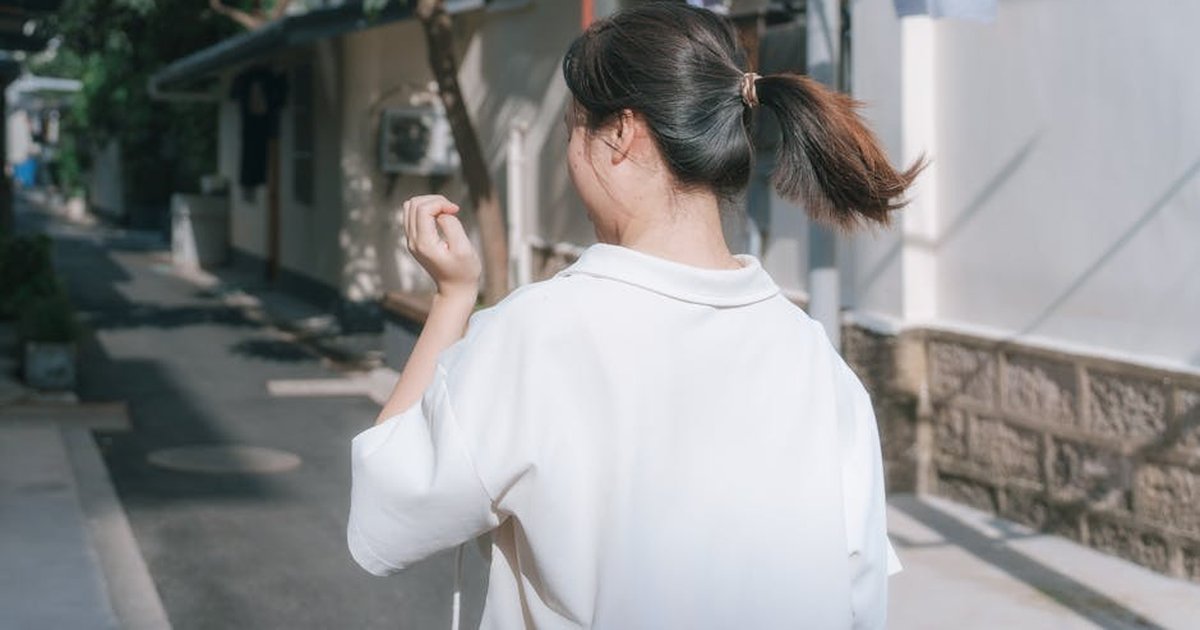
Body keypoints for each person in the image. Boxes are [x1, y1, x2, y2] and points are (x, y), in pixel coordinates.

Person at [347, 3, 923, 629]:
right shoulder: (815, 360)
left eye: (572, 127)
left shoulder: (537, 336)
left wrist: (452, 299)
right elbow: (860, 599)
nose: (572, 156)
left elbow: (385, 510)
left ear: (620, 133)